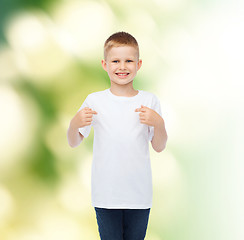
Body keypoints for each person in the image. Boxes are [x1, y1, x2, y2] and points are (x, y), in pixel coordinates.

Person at [67, 31, 168, 240]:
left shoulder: (150, 101)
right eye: (115, 61)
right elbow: (74, 141)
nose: (122, 66)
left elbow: (159, 146)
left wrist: (159, 123)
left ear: (139, 64)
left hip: (139, 196)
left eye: (128, 60)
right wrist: (74, 123)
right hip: (106, 195)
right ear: (105, 64)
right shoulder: (95, 101)